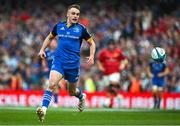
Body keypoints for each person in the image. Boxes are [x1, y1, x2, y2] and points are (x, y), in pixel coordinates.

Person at [36, 4, 96, 122]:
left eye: (77, 14)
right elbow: (49, 37)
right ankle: (43, 110)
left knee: (72, 91)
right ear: (67, 14)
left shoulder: (81, 29)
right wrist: (42, 49)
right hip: (59, 62)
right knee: (52, 84)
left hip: (73, 65)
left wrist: (92, 56)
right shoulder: (59, 26)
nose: (75, 16)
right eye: (73, 13)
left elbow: (92, 43)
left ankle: (81, 97)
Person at [97, 39, 128, 108]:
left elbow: (125, 60)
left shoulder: (118, 52)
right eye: (109, 45)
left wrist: (123, 65)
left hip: (115, 72)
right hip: (106, 73)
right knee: (108, 88)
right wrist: (100, 67)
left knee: (112, 83)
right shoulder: (104, 52)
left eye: (112, 45)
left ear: (114, 45)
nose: (111, 46)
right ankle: (117, 97)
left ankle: (107, 101)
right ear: (108, 45)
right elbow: (99, 60)